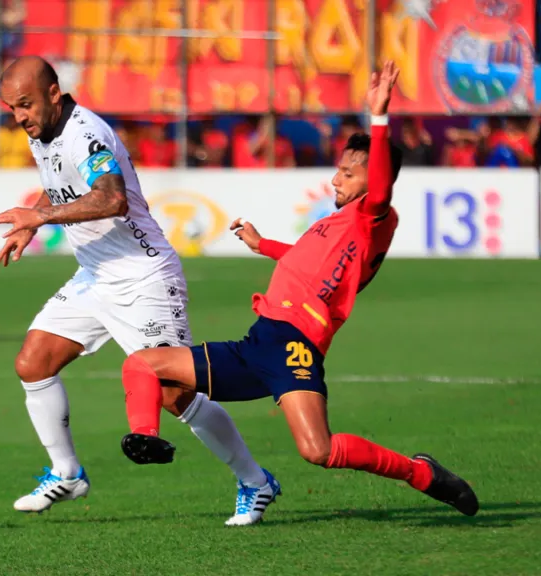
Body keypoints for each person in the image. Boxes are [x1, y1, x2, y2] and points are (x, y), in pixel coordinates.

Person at [116, 62, 480, 518]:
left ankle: (419, 472)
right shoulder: (335, 223)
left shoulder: (374, 216)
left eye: (349, 172)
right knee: (143, 365)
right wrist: (261, 243)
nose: (336, 179)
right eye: (339, 170)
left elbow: (382, 184)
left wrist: (380, 116)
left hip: (295, 347)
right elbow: (307, 262)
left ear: (374, 179)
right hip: (259, 340)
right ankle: (145, 437)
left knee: (318, 450)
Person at [0, 56, 280, 525]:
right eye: (11, 108)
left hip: (145, 277)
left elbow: (111, 196)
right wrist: (33, 223)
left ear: (54, 95)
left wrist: (39, 218)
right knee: (33, 362)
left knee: (172, 394)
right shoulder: (44, 131)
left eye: (25, 105)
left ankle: (256, 482)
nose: (19, 117)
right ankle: (68, 474)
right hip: (95, 275)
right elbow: (62, 185)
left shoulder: (88, 134)